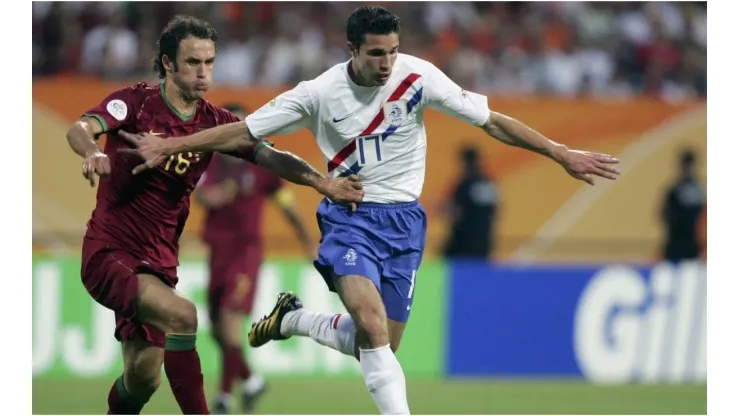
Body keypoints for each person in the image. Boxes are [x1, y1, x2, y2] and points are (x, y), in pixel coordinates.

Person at [117, 6, 621, 415]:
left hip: (405, 223)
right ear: (352, 50)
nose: (386, 64)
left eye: (393, 52)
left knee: (376, 345)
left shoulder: (418, 78)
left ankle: (292, 321)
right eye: (376, 53)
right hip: (350, 216)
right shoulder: (318, 93)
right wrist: (170, 144)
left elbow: (491, 122)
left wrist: (560, 152)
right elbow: (244, 133)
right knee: (373, 325)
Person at [65, 15, 362, 415]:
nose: (204, 72)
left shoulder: (215, 124)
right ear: (168, 64)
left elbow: (270, 156)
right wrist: (93, 152)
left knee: (143, 379)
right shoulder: (136, 103)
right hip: (109, 251)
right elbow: (80, 128)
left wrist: (320, 182)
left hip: (160, 264)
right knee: (184, 315)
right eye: (193, 62)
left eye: (209, 62)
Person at [196, 103, 317, 414]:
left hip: (245, 254)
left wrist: (307, 241)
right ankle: (250, 381)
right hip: (217, 255)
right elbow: (202, 196)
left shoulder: (260, 165)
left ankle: (223, 398)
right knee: (214, 329)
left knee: (229, 321)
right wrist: (217, 195)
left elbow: (287, 205)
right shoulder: (209, 162)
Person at [441, 145, 499, 260]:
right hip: (484, 242)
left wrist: (443, 209)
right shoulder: (489, 183)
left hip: (463, 243)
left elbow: (455, 213)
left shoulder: (465, 183)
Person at [660, 149, 706, 263]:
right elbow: (665, 215)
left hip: (692, 248)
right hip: (677, 247)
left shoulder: (700, 190)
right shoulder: (675, 190)